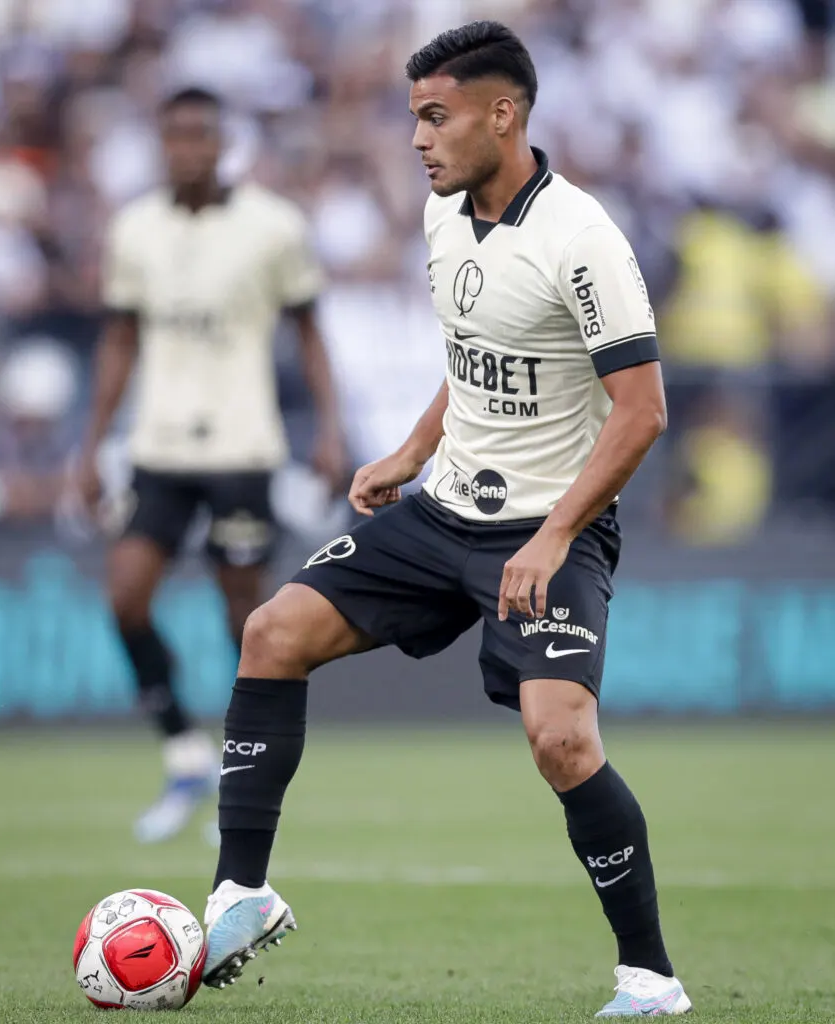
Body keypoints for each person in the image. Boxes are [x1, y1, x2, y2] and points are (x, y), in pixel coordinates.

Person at [199, 23, 691, 1018]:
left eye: (436, 117)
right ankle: (240, 893)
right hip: (442, 510)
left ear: (502, 114)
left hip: (552, 526)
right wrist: (412, 453)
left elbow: (641, 413)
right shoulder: (442, 216)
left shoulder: (583, 240)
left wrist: (553, 538)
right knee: (271, 632)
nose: (417, 139)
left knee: (560, 741)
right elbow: (471, 353)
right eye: (412, 118)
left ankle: (650, 977)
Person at [77, 87, 345, 844]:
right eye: (175, 137)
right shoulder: (134, 229)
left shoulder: (273, 227)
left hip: (240, 445)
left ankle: (242, 767)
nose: (188, 149)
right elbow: (120, 339)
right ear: (161, 144)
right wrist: (92, 441)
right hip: (158, 447)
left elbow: (311, 333)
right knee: (126, 599)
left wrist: (329, 431)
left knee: (244, 618)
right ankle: (182, 751)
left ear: (222, 141)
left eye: (200, 135)